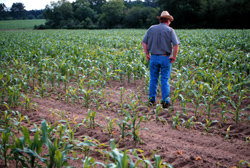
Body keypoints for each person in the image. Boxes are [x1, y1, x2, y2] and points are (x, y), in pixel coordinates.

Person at [142, 11, 180, 108]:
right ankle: (165, 102)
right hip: (165, 58)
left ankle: (151, 100)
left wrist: (147, 54)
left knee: (153, 79)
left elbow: (144, 42)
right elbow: (176, 45)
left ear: (160, 20)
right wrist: (174, 56)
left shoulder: (151, 28)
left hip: (153, 57)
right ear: (168, 21)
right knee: (164, 80)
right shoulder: (170, 30)